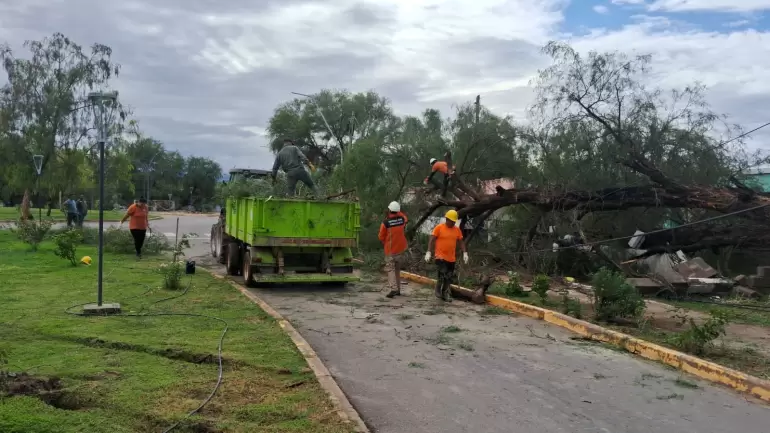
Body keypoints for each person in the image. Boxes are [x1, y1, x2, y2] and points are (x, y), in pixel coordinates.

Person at [424, 209, 469, 302]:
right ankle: (437, 290)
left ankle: (444, 294)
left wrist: (465, 253)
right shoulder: (439, 228)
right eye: (451, 221)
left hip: (451, 258)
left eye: (454, 221)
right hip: (440, 256)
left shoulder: (457, 230)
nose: (453, 223)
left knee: (448, 277)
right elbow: (432, 239)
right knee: (442, 273)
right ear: (447, 219)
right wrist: (428, 252)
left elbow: (461, 241)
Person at [378, 201, 408, 299]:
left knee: (390, 269)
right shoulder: (402, 220)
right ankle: (398, 290)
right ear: (398, 211)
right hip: (401, 249)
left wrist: (384, 242)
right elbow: (405, 217)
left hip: (390, 250)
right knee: (397, 270)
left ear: (389, 210)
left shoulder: (386, 223)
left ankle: (393, 289)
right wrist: (398, 212)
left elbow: (381, 236)